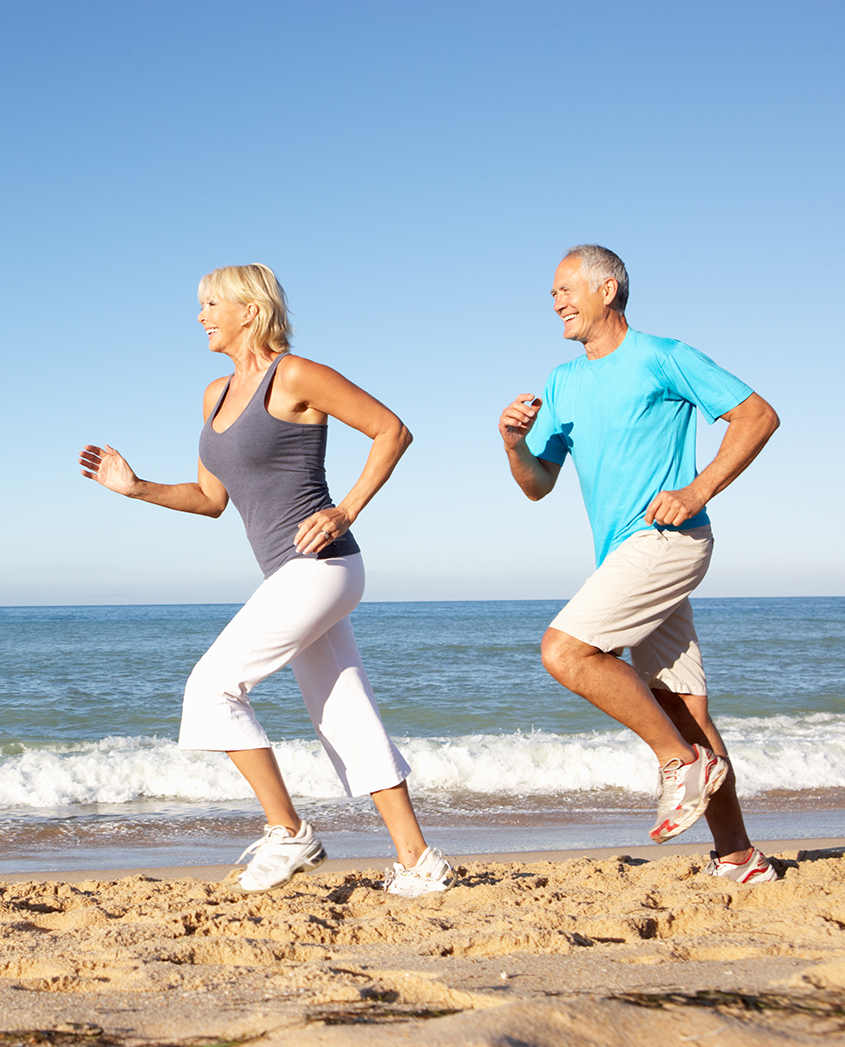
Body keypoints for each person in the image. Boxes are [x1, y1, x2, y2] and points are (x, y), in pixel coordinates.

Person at [79, 263, 454, 899]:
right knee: (345, 713)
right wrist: (135, 486)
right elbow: (209, 498)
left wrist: (344, 510)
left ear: (250, 311)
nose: (201, 316)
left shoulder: (296, 375)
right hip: (294, 574)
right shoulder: (214, 395)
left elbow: (393, 430)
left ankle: (287, 832)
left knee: (211, 688)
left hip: (324, 565)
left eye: (212, 304)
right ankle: (417, 860)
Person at [498, 245, 780, 885]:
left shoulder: (664, 356)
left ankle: (678, 763)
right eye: (552, 294)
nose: (556, 302)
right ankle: (739, 857)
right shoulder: (563, 381)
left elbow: (758, 415)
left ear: (608, 289)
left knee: (565, 652)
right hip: (624, 556)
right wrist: (514, 442)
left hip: (670, 539)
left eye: (566, 289)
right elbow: (538, 483)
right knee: (687, 710)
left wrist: (698, 489)